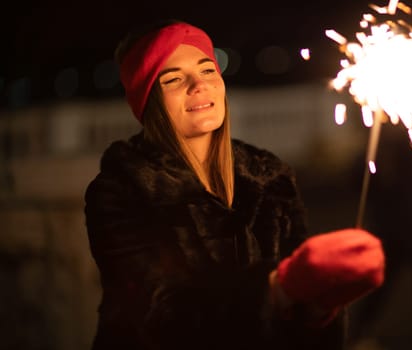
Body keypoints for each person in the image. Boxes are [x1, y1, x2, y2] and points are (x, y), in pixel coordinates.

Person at [83, 19, 385, 350]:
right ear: (148, 101)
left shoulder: (271, 177)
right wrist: (276, 288)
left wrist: (320, 305)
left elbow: (300, 327)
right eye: (173, 79)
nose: (199, 85)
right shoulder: (121, 192)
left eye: (208, 70)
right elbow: (158, 318)